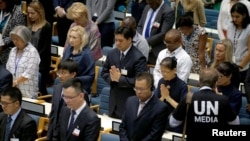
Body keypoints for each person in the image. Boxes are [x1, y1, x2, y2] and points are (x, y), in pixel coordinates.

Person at [169, 68, 240, 141]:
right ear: (216, 83)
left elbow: (173, 123)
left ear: (199, 82)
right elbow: (235, 123)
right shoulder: (223, 100)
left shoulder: (188, 97)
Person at [101, 26, 148, 119]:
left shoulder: (138, 58)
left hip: (129, 101)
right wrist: (112, 78)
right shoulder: (112, 53)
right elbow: (104, 73)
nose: (117, 43)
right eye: (116, 40)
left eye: (121, 40)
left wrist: (120, 79)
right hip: (113, 101)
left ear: (130, 39)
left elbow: (140, 81)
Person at [47, 59, 90, 140]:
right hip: (54, 134)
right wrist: (49, 135)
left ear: (73, 74)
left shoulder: (81, 94)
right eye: (59, 72)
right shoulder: (57, 88)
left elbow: (83, 118)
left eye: (63, 73)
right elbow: (53, 113)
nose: (60, 75)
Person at [119, 72, 168, 141]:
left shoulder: (161, 108)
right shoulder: (130, 101)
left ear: (151, 87)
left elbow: (154, 135)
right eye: (136, 88)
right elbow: (123, 127)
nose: (138, 92)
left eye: (142, 89)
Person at [154, 56, 188, 132]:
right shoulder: (161, 81)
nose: (163, 74)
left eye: (166, 71)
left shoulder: (182, 86)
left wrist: (168, 98)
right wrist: (163, 97)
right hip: (160, 119)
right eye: (162, 71)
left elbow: (182, 109)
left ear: (174, 70)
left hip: (175, 122)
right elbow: (154, 104)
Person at [6, 25, 40, 99]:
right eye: (13, 39)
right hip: (12, 91)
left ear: (25, 39)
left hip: (27, 93)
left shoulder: (32, 52)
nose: (15, 41)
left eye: (17, 39)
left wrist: (15, 82)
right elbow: (8, 68)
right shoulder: (13, 50)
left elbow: (29, 73)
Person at [137, 0, 175, 65]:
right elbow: (140, 26)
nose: (150, 5)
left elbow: (163, 33)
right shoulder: (147, 7)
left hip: (155, 52)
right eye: (148, 3)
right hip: (140, 49)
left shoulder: (168, 11)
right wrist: (140, 40)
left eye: (151, 3)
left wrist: (144, 42)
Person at [27, 0, 52, 95]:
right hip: (29, 60)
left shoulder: (46, 26)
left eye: (32, 13)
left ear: (39, 12)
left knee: (40, 87)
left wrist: (33, 59)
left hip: (41, 63)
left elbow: (45, 48)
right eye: (29, 13)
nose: (30, 16)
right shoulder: (29, 26)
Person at [62, 25, 95, 95]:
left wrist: (74, 80)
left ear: (82, 39)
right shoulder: (68, 49)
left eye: (74, 38)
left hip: (79, 89)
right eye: (70, 36)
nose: (71, 40)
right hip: (66, 84)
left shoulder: (86, 55)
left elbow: (90, 76)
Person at [227, 2, 250, 83]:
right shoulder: (230, 26)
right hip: (229, 64)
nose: (234, 19)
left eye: (237, 16)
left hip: (243, 67)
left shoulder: (248, 29)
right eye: (233, 16)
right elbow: (227, 45)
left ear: (244, 15)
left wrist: (239, 67)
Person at [0, 0, 26, 67]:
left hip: (9, 49)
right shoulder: (1, 10)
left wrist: (2, 43)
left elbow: (18, 34)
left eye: (1, 2)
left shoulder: (18, 13)